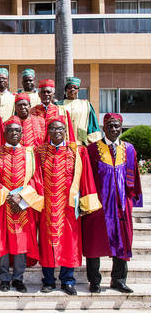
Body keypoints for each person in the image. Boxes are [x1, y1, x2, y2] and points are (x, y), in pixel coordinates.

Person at [35, 116, 102, 296]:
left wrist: (87, 202)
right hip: (47, 206)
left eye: (60, 129)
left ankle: (68, 280)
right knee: (47, 243)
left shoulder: (78, 151)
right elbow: (36, 178)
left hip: (69, 206)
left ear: (65, 131)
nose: (56, 132)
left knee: (69, 243)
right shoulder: (40, 151)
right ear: (47, 132)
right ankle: (48, 280)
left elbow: (86, 176)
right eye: (52, 129)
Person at [82, 113, 143, 294]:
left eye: (117, 126)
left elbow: (135, 177)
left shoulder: (129, 149)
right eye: (110, 126)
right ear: (103, 127)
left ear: (121, 127)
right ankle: (94, 281)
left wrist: (133, 200)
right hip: (98, 205)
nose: (114, 129)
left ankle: (119, 280)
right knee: (95, 243)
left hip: (121, 205)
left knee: (123, 242)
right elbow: (87, 177)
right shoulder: (92, 150)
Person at [0, 118, 43, 293]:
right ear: (4, 133)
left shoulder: (30, 153)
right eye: (10, 130)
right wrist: (7, 195)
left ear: (22, 133)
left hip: (23, 204)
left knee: (21, 242)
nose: (14, 133)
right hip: (3, 204)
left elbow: (36, 178)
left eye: (17, 131)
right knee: (3, 241)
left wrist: (21, 197)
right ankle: (4, 278)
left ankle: (18, 279)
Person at [57, 77, 102, 145]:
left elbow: (92, 125)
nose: (72, 89)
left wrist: (94, 143)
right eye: (69, 87)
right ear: (66, 90)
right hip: (63, 143)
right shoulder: (57, 105)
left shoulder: (86, 105)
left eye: (75, 88)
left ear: (78, 90)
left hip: (81, 143)